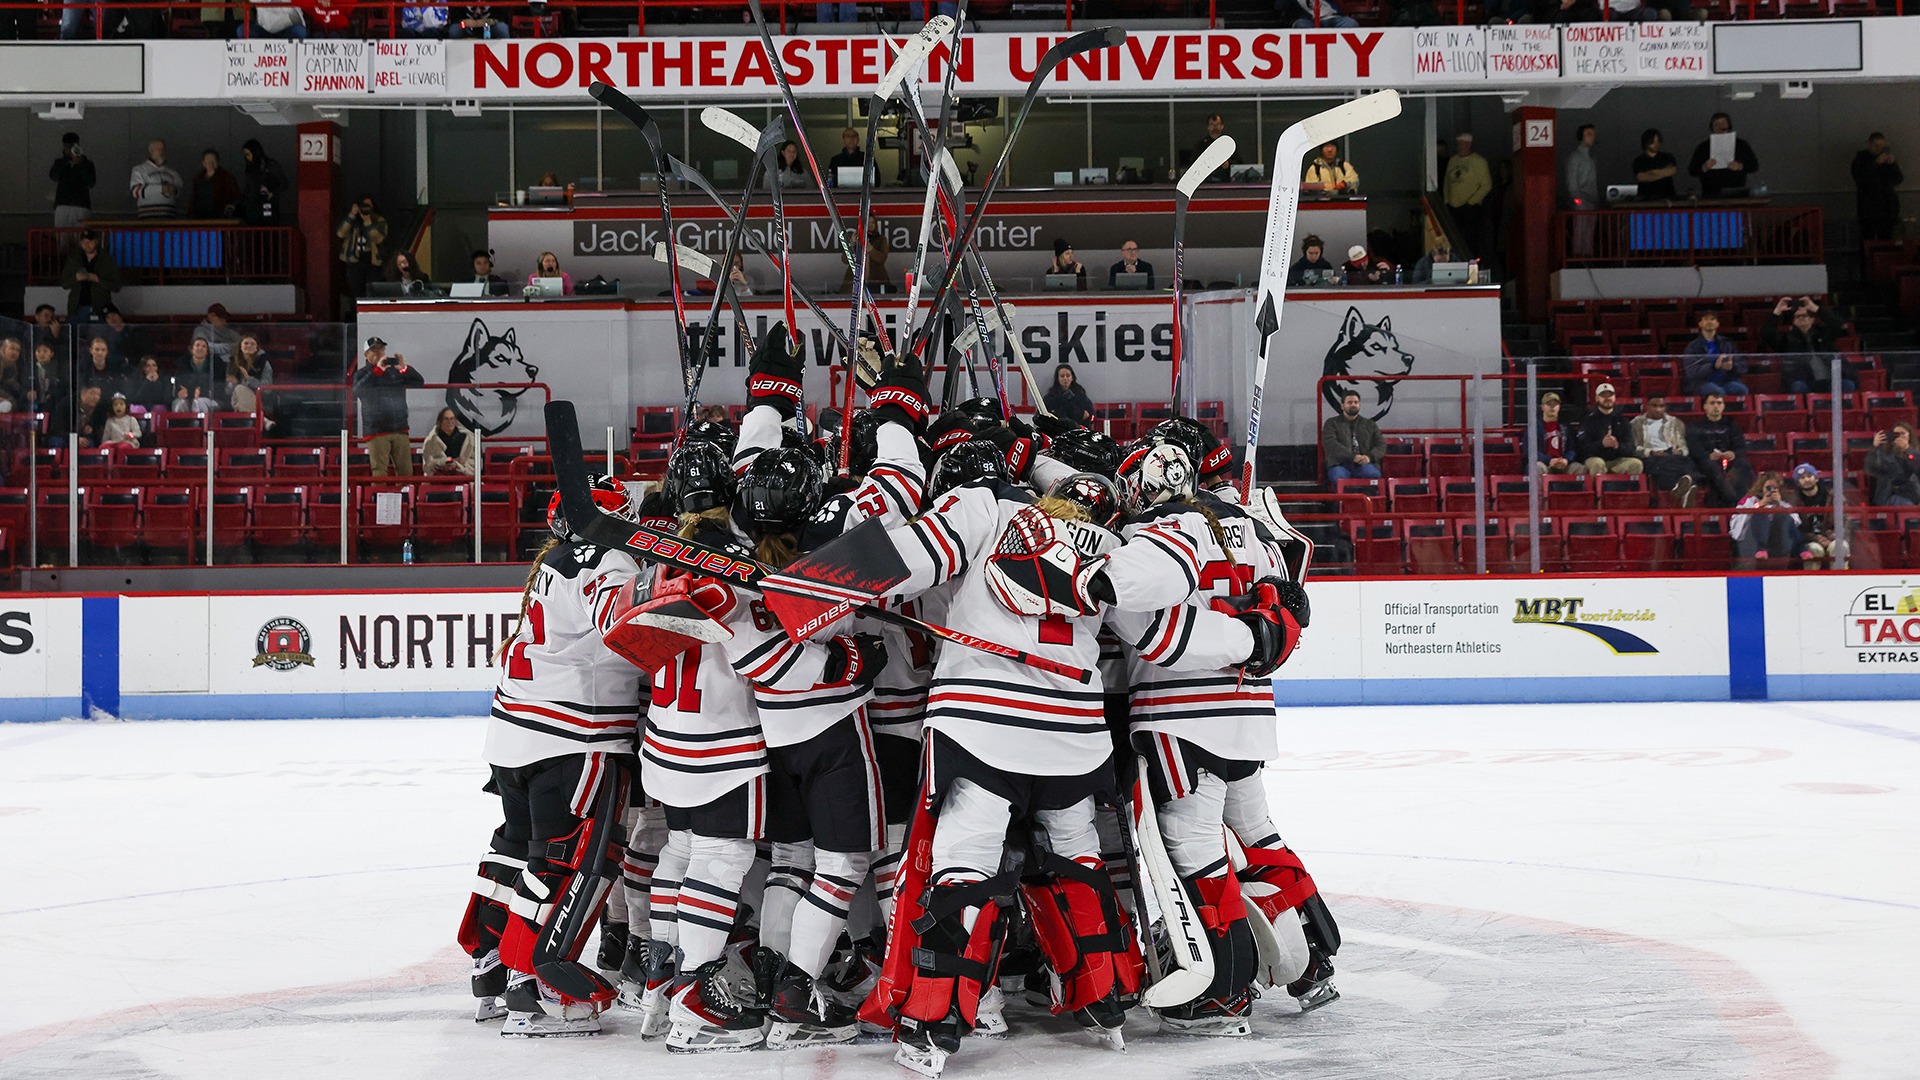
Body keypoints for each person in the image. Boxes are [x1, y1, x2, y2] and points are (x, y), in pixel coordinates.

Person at [459, 475, 647, 1036]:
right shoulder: (610, 560)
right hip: (572, 736)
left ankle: (491, 967)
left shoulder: (553, 561)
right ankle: (536, 986)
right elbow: (623, 626)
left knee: (516, 849)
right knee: (568, 860)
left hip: (512, 733)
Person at [353, 337, 424, 476]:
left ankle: (403, 492)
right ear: (366, 355)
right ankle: (381, 492)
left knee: (406, 472)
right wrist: (376, 371)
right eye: (374, 350)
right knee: (379, 472)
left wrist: (405, 369)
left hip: (399, 428)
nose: (379, 353)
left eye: (381, 349)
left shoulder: (394, 370)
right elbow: (357, 391)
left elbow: (419, 382)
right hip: (377, 430)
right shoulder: (362, 373)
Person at [1761, 296, 1852, 394]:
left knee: (1848, 384)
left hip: (1829, 379)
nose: (1801, 318)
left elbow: (1838, 324)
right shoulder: (1786, 338)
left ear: (1812, 319)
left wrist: (1815, 308)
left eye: (1804, 315)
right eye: (1797, 317)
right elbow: (1767, 334)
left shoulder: (1823, 334)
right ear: (1794, 322)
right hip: (1804, 381)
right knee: (1798, 386)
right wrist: (1777, 311)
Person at [1687, 392, 1755, 508]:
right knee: (1712, 467)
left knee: (1743, 464)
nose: (1716, 406)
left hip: (1729, 461)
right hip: (1707, 463)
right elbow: (1694, 448)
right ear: (1705, 406)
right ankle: (1734, 501)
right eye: (1712, 403)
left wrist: (1733, 453)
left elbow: (1740, 446)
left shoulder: (1732, 425)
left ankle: (1737, 501)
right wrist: (1708, 455)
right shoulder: (1696, 427)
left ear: (1723, 406)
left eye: (1719, 403)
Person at [1631, 394, 1698, 506]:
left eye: (1661, 406)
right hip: (1650, 456)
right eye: (1654, 406)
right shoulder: (1636, 423)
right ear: (1647, 406)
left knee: (1687, 461)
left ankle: (1681, 488)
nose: (1658, 409)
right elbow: (1634, 447)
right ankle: (1684, 488)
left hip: (1671, 455)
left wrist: (1679, 451)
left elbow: (1683, 446)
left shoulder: (1675, 423)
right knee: (1662, 464)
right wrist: (1651, 452)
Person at [1729, 473, 1805, 565]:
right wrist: (1759, 505)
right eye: (1769, 488)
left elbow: (1796, 522)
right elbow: (1736, 524)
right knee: (1760, 513)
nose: (1772, 490)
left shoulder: (1784, 503)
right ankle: (1761, 548)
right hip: (1752, 541)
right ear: (1761, 487)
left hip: (1779, 540)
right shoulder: (1750, 500)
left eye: (1775, 488)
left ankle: (1801, 549)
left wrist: (1779, 505)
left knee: (1784, 515)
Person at [1688, 112, 1760, 199]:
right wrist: (1704, 167)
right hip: (1710, 193)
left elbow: (1754, 166)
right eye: (1716, 124)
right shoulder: (1703, 147)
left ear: (1729, 125)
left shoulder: (1741, 144)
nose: (1720, 126)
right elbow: (1692, 170)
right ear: (1712, 127)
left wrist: (1740, 166)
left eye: (1723, 123)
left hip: (1736, 192)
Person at [1576, 382, 1641, 476]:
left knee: (1636, 464)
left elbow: (1630, 448)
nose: (1608, 398)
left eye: (1610, 395)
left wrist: (1617, 445)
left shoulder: (1622, 420)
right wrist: (1601, 444)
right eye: (1603, 395)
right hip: (1595, 458)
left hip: (1616, 461)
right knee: (1597, 464)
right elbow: (1582, 448)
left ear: (1614, 397)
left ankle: (1618, 485)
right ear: (1597, 398)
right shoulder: (1588, 420)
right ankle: (1598, 485)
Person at [1322, 389, 1384, 485]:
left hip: (1364, 464)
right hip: (1339, 464)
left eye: (1356, 402)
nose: (1353, 405)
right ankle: (1342, 496)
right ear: (1342, 406)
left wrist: (1369, 457)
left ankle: (1368, 495)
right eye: (1349, 402)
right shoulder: (1331, 423)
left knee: (1373, 475)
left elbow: (1381, 445)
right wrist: (1352, 457)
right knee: (1339, 478)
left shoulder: (1370, 424)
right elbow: (1331, 445)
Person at [1682, 310, 1749, 398]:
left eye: (1712, 319)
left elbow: (1742, 366)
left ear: (1717, 324)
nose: (1709, 322)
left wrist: (1732, 367)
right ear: (1700, 324)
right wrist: (1713, 366)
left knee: (1742, 389)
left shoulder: (1727, 343)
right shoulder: (1693, 346)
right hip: (1701, 383)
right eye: (1706, 319)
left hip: (1725, 381)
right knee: (1717, 392)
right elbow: (1692, 372)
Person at [1444, 132, 1492, 254]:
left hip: (1470, 208)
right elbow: (1447, 183)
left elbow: (1486, 185)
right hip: (1453, 207)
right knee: (1453, 238)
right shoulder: (1453, 160)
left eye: (1463, 143)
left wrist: (1471, 203)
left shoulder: (1479, 162)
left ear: (1469, 144)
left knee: (1470, 240)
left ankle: (1471, 261)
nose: (1460, 146)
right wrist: (1447, 201)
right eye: (1458, 143)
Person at [1852, 132, 1903, 244]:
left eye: (1881, 146)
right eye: (1876, 146)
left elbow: (1898, 179)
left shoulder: (1887, 161)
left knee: (1886, 240)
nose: (1878, 149)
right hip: (1868, 208)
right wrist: (1876, 163)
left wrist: (1892, 165)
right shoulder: (1861, 159)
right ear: (1869, 145)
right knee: (1867, 239)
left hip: (1887, 208)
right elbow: (1859, 177)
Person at [60, 229, 120, 322]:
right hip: (77, 308)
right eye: (84, 242)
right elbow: (64, 283)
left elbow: (116, 286)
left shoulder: (106, 260)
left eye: (90, 242)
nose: (87, 245)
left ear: (96, 242)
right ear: (80, 243)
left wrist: (98, 280)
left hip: (100, 308)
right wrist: (76, 278)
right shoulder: (74, 259)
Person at [337, 195, 388, 301]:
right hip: (354, 261)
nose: (366, 208)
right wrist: (352, 215)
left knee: (373, 294)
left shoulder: (379, 220)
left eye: (368, 206)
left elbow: (379, 238)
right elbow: (340, 233)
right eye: (363, 206)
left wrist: (368, 222)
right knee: (356, 294)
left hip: (373, 262)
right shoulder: (353, 220)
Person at [1787, 463, 1838, 562]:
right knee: (1815, 549)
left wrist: (1834, 535)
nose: (1806, 480)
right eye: (1802, 478)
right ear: (1798, 483)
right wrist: (1815, 538)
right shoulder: (1793, 501)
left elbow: (1845, 520)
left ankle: (1841, 572)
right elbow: (1795, 528)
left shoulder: (1832, 496)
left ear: (1816, 478)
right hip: (1808, 540)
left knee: (1840, 546)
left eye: (1809, 476)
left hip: (1832, 537)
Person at [1866, 423, 1920, 506]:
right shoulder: (1884, 453)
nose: (1899, 437)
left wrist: (1907, 449)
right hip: (1886, 497)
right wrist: (1875, 447)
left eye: (1902, 434)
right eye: (1896, 434)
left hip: (1910, 496)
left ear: (1909, 436)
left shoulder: (1915, 453)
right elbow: (1871, 467)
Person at [49, 133, 95, 230]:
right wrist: (66, 160)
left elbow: (91, 182)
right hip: (63, 205)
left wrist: (80, 163)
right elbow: (54, 176)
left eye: (72, 147)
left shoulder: (87, 164)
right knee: (62, 236)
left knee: (81, 237)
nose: (70, 149)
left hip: (81, 206)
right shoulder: (60, 162)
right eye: (67, 147)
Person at [1565, 124, 1598, 256]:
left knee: (1589, 230)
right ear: (1581, 136)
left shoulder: (1591, 158)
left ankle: (1586, 255)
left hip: (1591, 199)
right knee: (1581, 229)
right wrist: (1577, 199)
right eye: (1589, 134)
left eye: (1593, 134)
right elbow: (1572, 180)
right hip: (1582, 199)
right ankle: (1579, 256)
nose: (1592, 137)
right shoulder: (1575, 157)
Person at [1534, 391, 1586, 475]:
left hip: (1563, 464)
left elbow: (1573, 448)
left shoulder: (1566, 427)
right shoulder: (1534, 427)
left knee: (1579, 468)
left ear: (1559, 407)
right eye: (1549, 404)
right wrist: (1549, 460)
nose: (1552, 407)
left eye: (1555, 404)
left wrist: (1566, 460)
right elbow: (1531, 451)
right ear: (1542, 407)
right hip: (1545, 464)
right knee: (1537, 467)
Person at [129, 140, 183, 220]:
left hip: (169, 216)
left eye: (163, 149)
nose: (162, 152)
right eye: (158, 149)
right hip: (147, 216)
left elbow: (180, 190)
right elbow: (136, 192)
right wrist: (160, 189)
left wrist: (174, 190)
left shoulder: (173, 173)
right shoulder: (139, 170)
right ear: (151, 151)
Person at [240, 139, 288, 226]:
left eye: (248, 154)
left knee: (269, 228)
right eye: (245, 155)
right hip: (253, 208)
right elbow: (247, 189)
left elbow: (284, 183)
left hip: (268, 206)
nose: (247, 158)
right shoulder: (250, 169)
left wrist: (272, 193)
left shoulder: (271, 166)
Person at [189, 149, 241, 219]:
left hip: (220, 219)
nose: (211, 163)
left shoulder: (227, 178)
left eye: (213, 161)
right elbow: (193, 201)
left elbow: (236, 197)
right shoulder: (198, 180)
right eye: (208, 161)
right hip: (199, 219)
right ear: (203, 163)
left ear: (217, 162)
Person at [424, 406, 477, 475]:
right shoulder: (431, 441)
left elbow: (476, 463)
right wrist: (443, 463)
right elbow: (428, 465)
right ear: (440, 421)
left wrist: (458, 465)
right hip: (440, 478)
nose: (449, 422)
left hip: (463, 476)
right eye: (446, 419)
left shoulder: (469, 438)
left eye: (452, 418)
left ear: (456, 421)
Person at [178, 337, 226, 409]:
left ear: (207, 352)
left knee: (199, 402)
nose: (200, 348)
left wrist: (203, 393)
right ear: (191, 349)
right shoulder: (183, 365)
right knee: (180, 404)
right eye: (197, 345)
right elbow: (180, 385)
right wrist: (182, 393)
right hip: (187, 398)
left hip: (211, 399)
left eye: (204, 346)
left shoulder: (217, 366)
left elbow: (219, 388)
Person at [1632, 129, 1679, 201]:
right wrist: (1664, 172)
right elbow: (1641, 177)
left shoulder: (1668, 157)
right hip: (1646, 199)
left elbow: (1672, 171)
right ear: (1646, 142)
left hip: (1668, 198)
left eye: (1658, 141)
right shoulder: (1639, 160)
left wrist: (1652, 173)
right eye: (1653, 142)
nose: (1656, 144)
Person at [1191, 113, 1237, 182]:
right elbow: (1193, 165)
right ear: (1208, 127)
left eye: (1217, 124)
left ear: (1222, 126)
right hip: (1206, 183)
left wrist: (1228, 164)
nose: (1215, 127)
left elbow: (1239, 164)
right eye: (1212, 124)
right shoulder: (1200, 145)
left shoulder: (1229, 145)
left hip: (1225, 182)